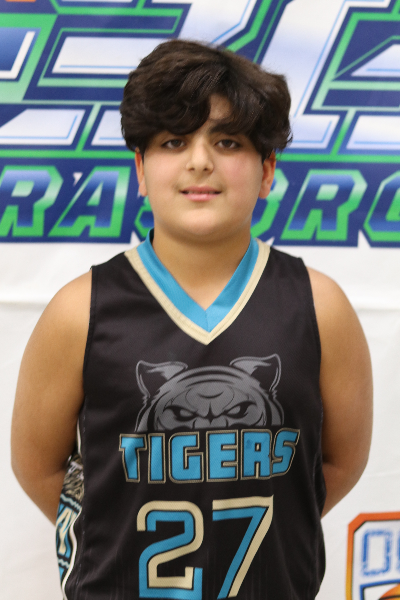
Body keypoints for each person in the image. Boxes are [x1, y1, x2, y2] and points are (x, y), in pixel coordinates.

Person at [11, 39, 372, 599]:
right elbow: (38, 466)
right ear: (140, 168)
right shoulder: (80, 310)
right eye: (173, 141)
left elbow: (340, 462)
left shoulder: (319, 306)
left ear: (267, 170)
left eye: (227, 142)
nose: (200, 161)